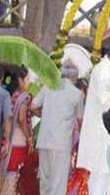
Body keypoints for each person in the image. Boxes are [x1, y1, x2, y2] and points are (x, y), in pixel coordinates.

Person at [76, 42, 110, 195]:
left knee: (106, 176)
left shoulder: (108, 70)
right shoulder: (102, 70)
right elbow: (103, 99)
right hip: (100, 132)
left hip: (107, 132)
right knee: (100, 176)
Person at [31, 61, 84, 195]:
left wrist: (46, 117)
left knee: (45, 182)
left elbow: (33, 106)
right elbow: (80, 119)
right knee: (58, 185)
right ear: (75, 78)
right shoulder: (77, 94)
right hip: (61, 144)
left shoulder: (48, 87)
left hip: (44, 141)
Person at [0, 66, 32, 194]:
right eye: (27, 79)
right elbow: (22, 119)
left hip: (10, 141)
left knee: (9, 172)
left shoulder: (11, 96)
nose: (28, 82)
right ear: (20, 80)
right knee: (16, 174)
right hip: (19, 142)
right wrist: (29, 138)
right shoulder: (24, 98)